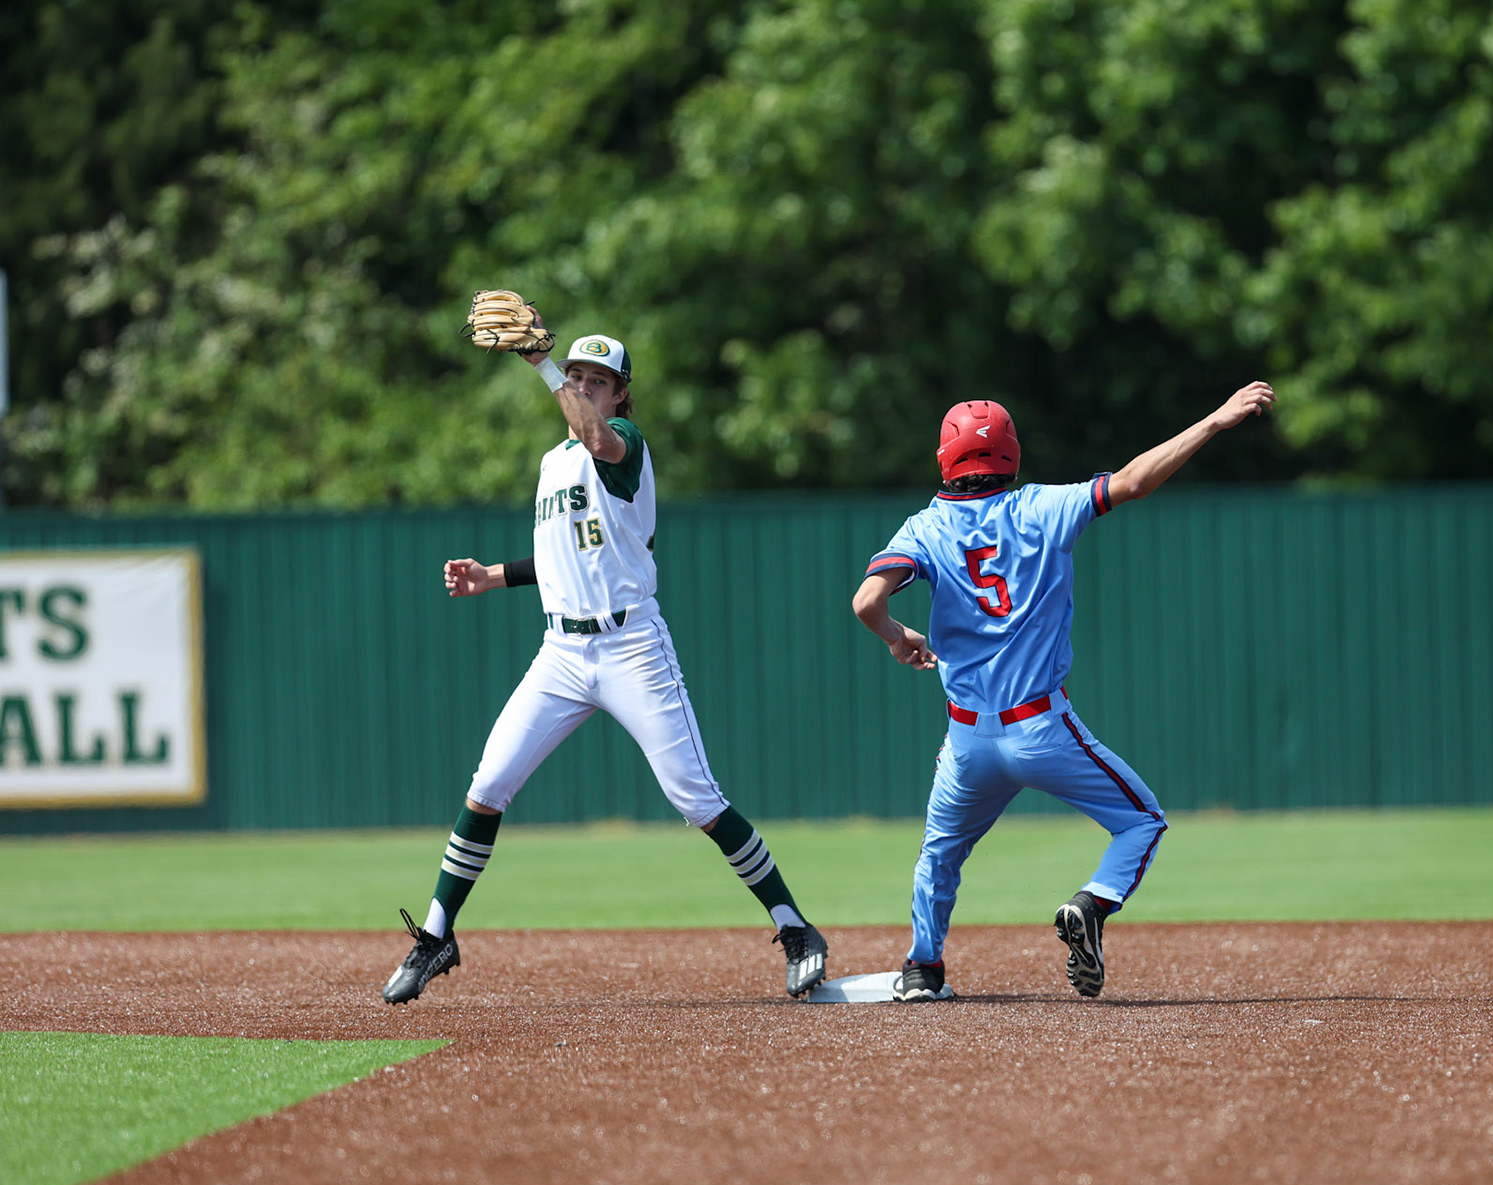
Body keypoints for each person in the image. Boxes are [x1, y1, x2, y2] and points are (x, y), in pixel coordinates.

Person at [381, 326, 828, 1003]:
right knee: (488, 784)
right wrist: (492, 575)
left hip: (631, 647)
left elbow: (597, 438)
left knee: (695, 797)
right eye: (578, 377)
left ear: (621, 394)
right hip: (561, 651)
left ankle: (796, 927)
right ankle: (438, 935)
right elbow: (566, 554)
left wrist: (542, 364)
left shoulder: (625, 447)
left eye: (597, 379)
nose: (583, 385)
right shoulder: (552, 463)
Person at [852, 382, 1274, 1001]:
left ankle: (923, 971)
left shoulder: (924, 527)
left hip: (968, 740)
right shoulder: (1044, 507)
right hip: (1041, 729)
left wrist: (896, 636)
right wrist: (1214, 419)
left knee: (938, 858)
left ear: (945, 458)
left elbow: (867, 601)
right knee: (1142, 822)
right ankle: (1092, 906)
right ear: (1011, 455)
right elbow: (1132, 482)